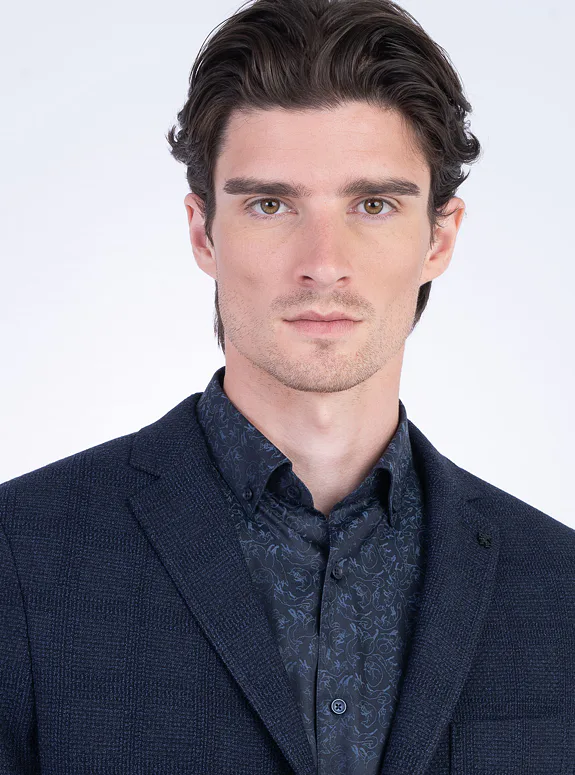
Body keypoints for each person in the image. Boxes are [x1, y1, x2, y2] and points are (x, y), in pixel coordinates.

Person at [1, 0, 573, 773]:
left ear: (438, 237)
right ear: (203, 232)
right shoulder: (21, 556)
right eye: (270, 204)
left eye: (372, 204)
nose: (323, 261)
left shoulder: (558, 586)